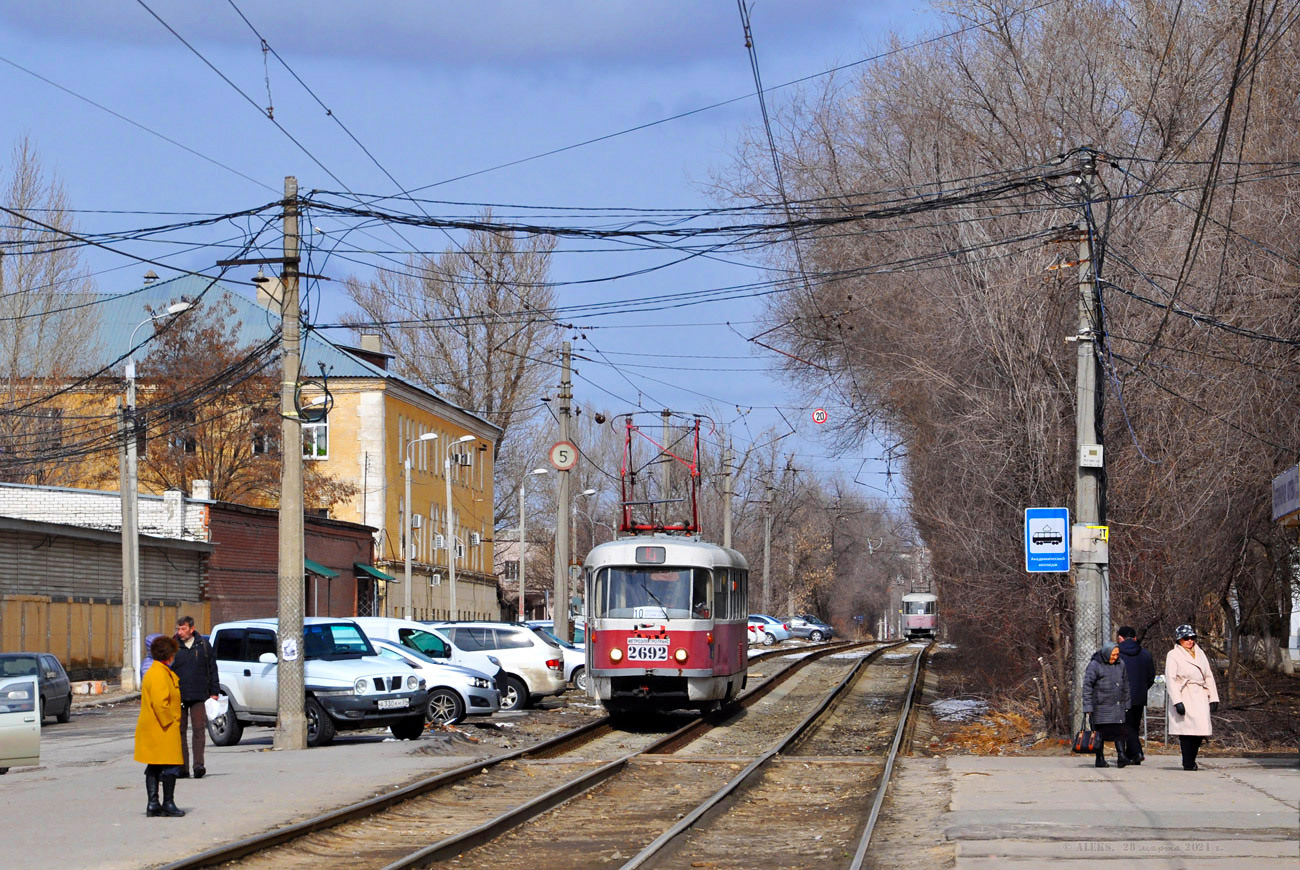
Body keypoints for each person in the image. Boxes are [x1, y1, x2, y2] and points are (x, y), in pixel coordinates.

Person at [134, 634, 186, 817]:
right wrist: (171, 720)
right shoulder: (159, 674)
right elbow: (160, 703)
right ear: (169, 655)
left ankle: (153, 804)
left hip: (154, 727)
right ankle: (167, 803)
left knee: (154, 765)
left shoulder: (157, 671)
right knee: (170, 766)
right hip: (162, 728)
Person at [1166, 624, 1219, 771]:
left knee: (1200, 730)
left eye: (1192, 638)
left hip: (1200, 694)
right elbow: (1170, 679)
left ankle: (1191, 759)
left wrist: (1213, 697)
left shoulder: (1200, 653)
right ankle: (1188, 761)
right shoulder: (1173, 655)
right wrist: (1177, 701)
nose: (1190, 641)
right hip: (1185, 693)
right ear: (1179, 640)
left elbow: (1208, 675)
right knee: (1186, 731)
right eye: (1186, 638)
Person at [172, 616, 219, 779]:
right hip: (179, 695)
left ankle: (198, 765)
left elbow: (212, 668)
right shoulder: (173, 646)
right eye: (178, 629)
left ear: (192, 629)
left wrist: (214, 691)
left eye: (183, 629)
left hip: (199, 694)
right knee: (180, 731)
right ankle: (182, 767)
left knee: (199, 730)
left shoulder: (203, 645)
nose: (180, 632)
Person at [1082, 643, 1132, 768]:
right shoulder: (1095, 665)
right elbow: (1087, 686)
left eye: (1117, 654)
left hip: (1117, 705)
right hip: (1100, 706)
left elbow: (1125, 684)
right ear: (1106, 653)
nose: (1115, 657)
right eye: (1113, 654)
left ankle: (1122, 756)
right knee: (1100, 733)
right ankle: (1100, 758)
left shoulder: (1121, 664)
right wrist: (1088, 706)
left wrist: (1127, 702)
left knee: (1120, 730)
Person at [1116, 625, 1156, 764]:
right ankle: (1132, 755)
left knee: (1125, 725)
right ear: (1135, 638)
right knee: (1133, 725)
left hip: (1121, 695)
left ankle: (1137, 752)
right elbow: (1151, 676)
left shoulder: (1117, 654)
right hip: (1139, 695)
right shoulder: (1145, 654)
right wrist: (1142, 688)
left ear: (1120, 638)